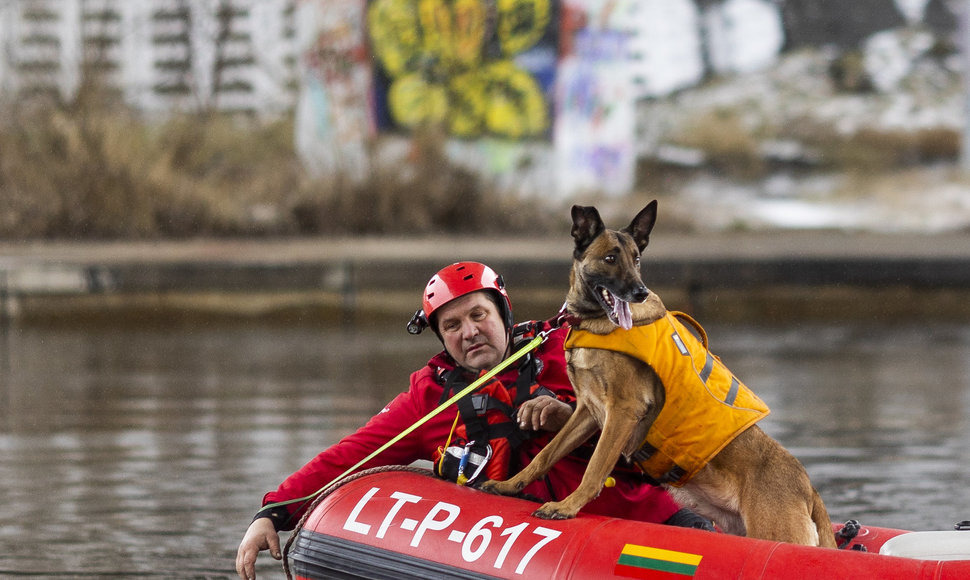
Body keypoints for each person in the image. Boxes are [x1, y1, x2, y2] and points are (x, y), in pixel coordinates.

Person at [235, 262, 709, 580]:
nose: (470, 332)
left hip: (641, 522)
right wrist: (275, 512)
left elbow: (653, 417)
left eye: (478, 315)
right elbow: (353, 453)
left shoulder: (572, 348)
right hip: (532, 554)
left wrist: (569, 418)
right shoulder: (430, 398)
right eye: (452, 326)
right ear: (441, 338)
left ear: (502, 313)